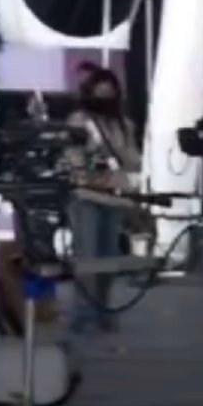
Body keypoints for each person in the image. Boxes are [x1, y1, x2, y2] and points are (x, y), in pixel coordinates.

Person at [68, 67, 140, 335]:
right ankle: (83, 314)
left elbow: (133, 159)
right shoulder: (79, 121)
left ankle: (104, 310)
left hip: (114, 197)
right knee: (87, 257)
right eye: (100, 92)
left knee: (109, 257)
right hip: (85, 195)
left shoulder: (124, 124)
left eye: (110, 92)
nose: (105, 97)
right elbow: (73, 157)